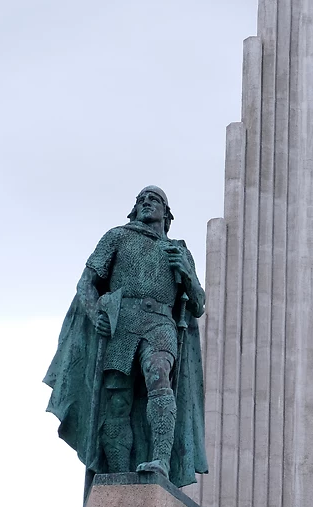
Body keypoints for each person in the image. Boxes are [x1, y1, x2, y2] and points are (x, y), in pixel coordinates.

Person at [44, 186, 208, 488]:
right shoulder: (117, 236)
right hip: (122, 323)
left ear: (167, 214)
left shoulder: (180, 251)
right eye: (141, 200)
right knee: (117, 402)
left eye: (154, 199)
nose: (146, 202)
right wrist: (97, 316)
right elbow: (86, 284)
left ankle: (160, 460)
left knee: (158, 374)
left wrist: (186, 273)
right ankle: (118, 475)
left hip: (160, 323)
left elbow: (198, 304)